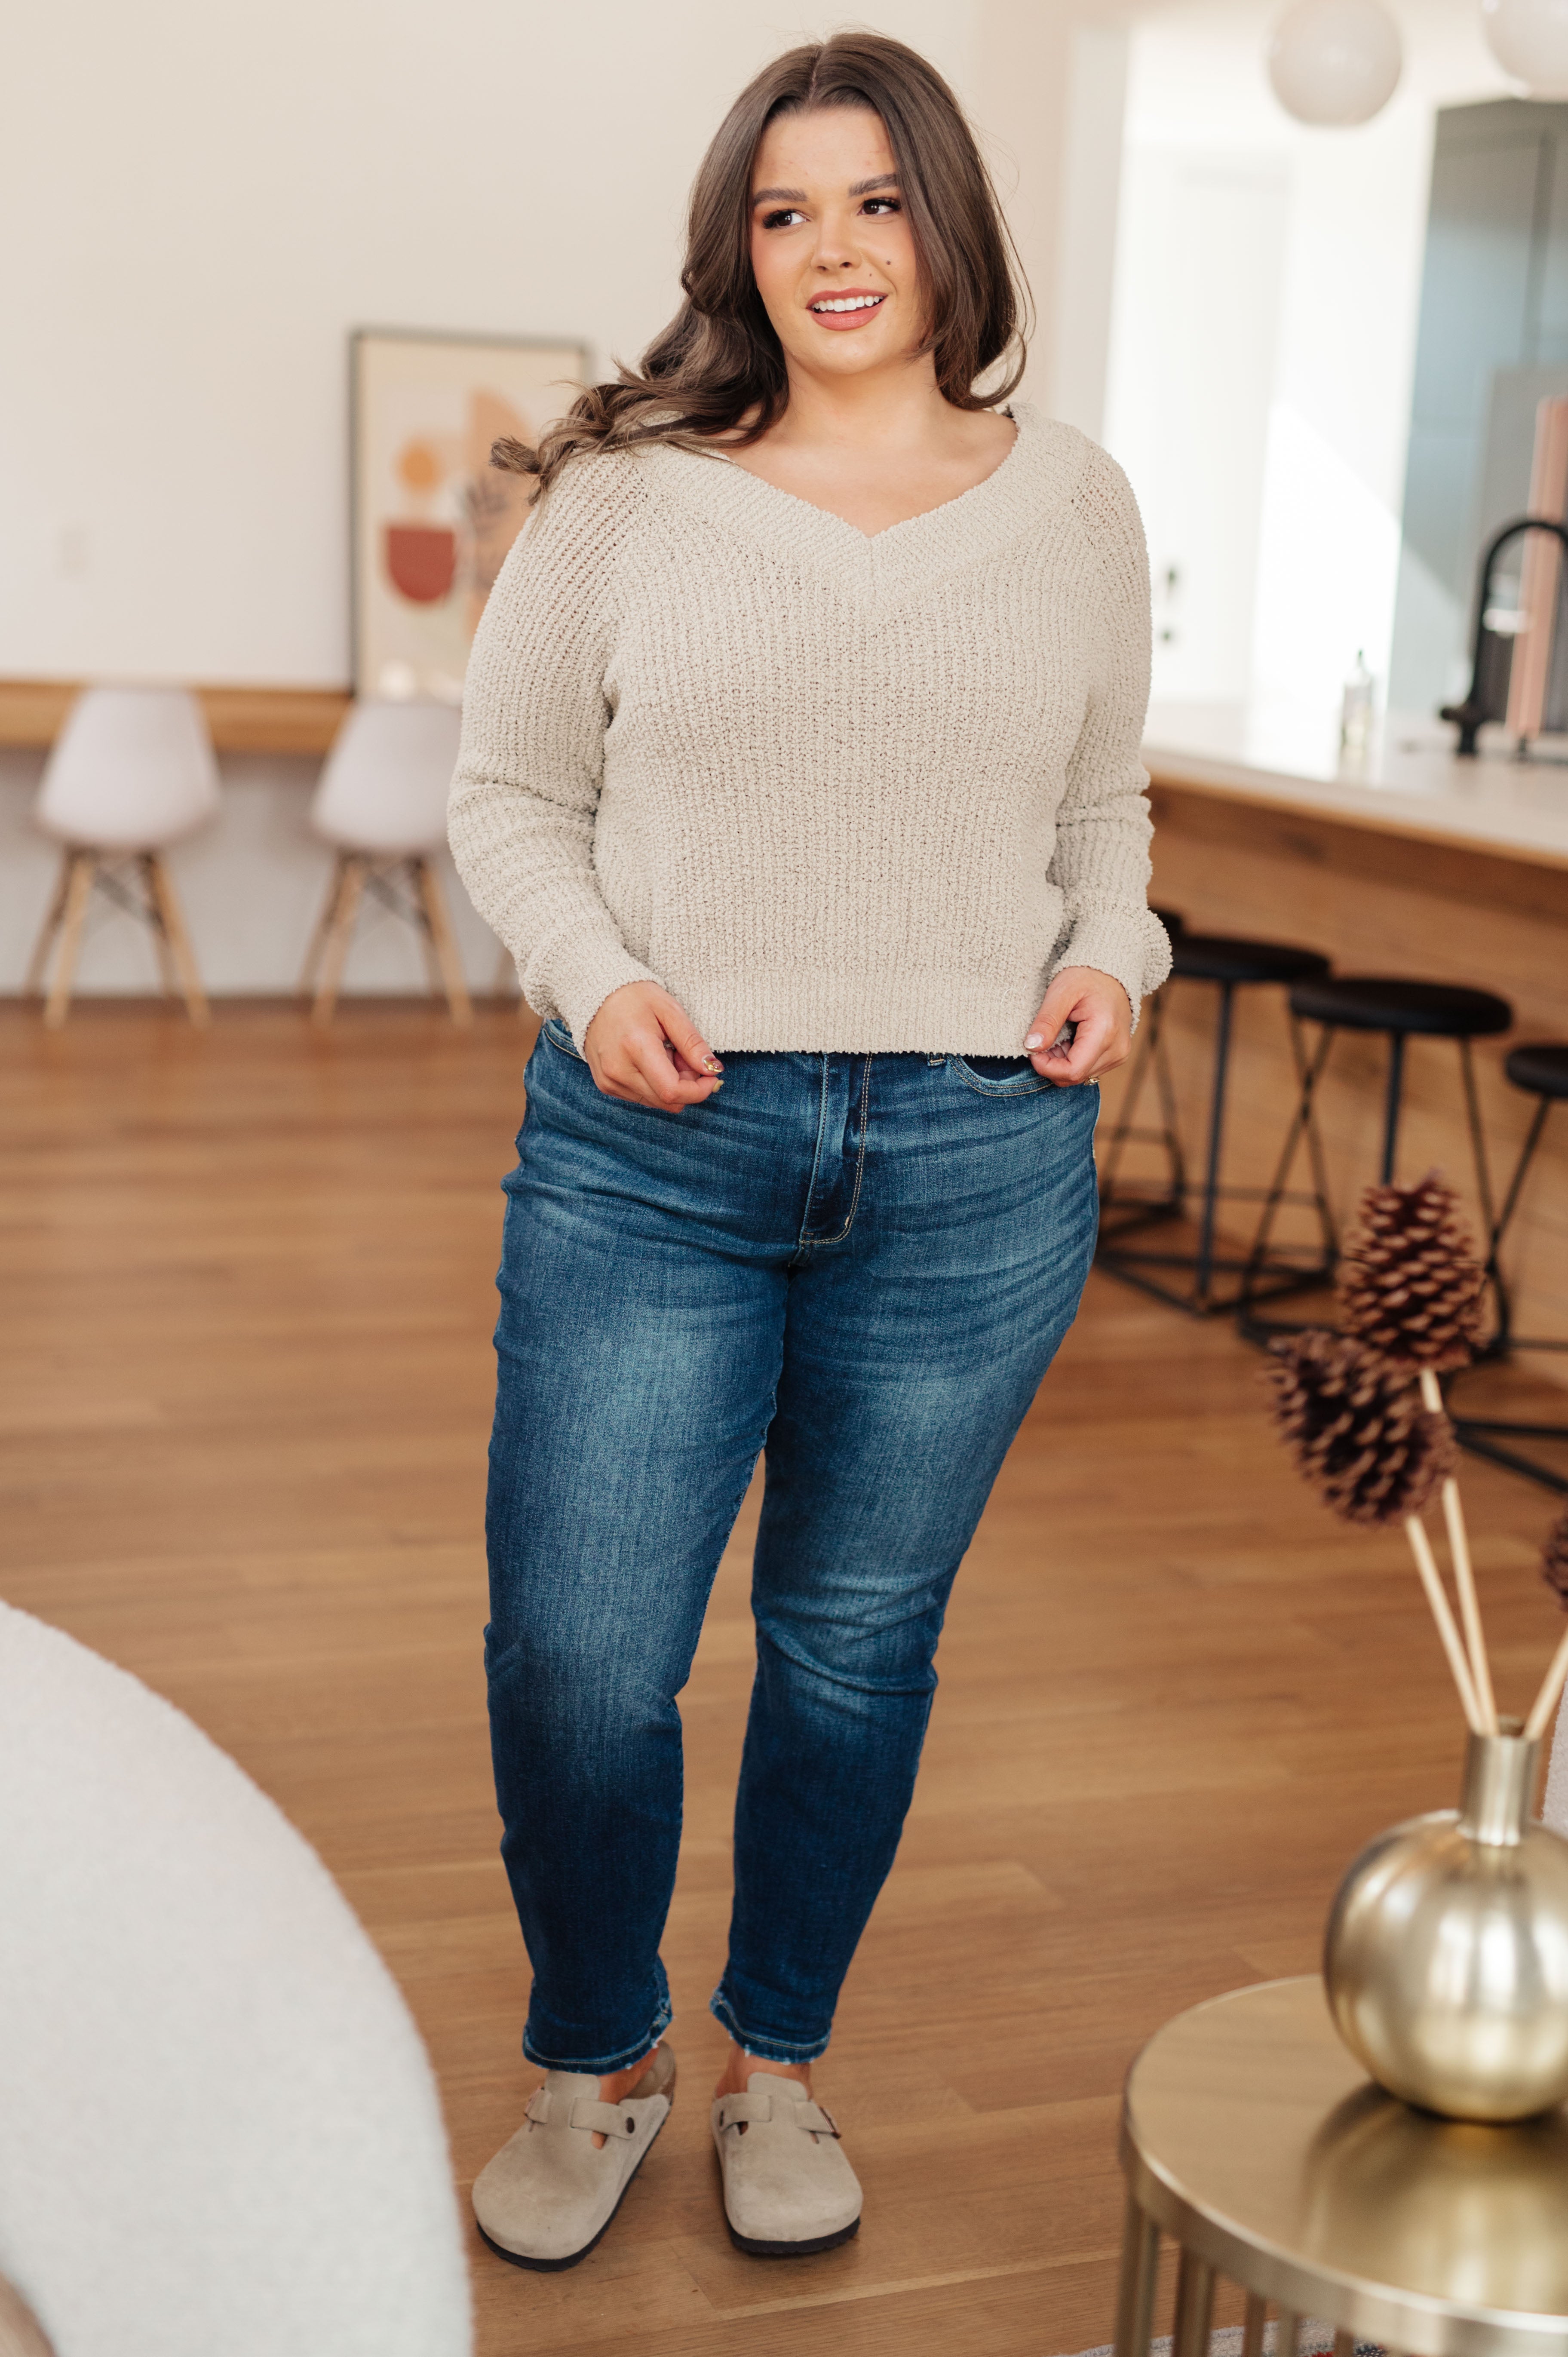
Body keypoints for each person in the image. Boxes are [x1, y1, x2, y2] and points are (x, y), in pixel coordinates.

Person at [448, 29, 1169, 2275]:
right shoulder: (632, 492)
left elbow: (1101, 815)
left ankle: (782, 2061)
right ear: (735, 247)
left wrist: (1118, 956)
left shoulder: (1079, 503)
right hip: (654, 1141)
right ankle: (598, 2058)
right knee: (581, 1656)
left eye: (873, 203)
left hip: (976, 1162)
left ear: (948, 226)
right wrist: (597, 977)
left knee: (857, 1649)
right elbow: (513, 796)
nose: (832, 250)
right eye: (785, 212)